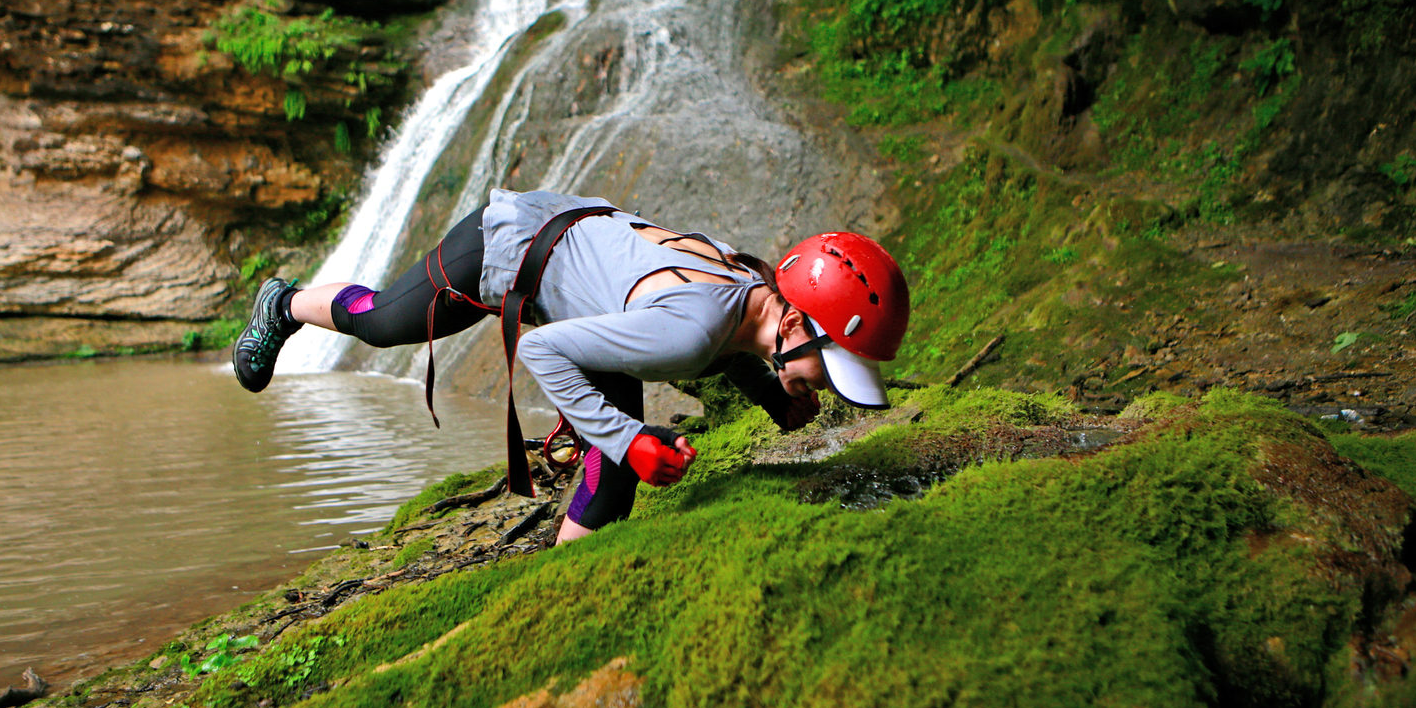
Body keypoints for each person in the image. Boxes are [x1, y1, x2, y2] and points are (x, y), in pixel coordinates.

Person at [232, 189, 910, 544]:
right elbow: (540, 351)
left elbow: (731, 339)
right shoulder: (697, 330)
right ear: (794, 324)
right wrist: (632, 439)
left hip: (588, 288)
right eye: (832, 363)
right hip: (506, 246)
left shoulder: (752, 288)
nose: (833, 382)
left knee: (613, 487)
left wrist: (769, 395)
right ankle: (285, 304)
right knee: (382, 322)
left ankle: (569, 584)